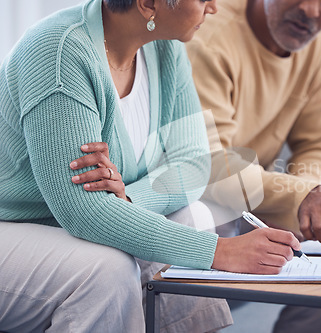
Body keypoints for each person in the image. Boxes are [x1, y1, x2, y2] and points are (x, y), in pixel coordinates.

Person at [0, 0, 303, 332]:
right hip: (12, 225)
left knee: (194, 216)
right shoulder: (56, 53)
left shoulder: (165, 51)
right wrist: (218, 251)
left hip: (68, 222)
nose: (214, 7)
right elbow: (82, 211)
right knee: (106, 270)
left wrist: (127, 200)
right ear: (147, 4)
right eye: (203, 0)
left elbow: (194, 164)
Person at [186, 0, 321, 331]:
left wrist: (311, 193)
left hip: (257, 199)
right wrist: (302, 193)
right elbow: (210, 164)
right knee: (208, 215)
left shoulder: (316, 43)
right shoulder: (209, 33)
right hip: (200, 194)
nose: (312, 11)